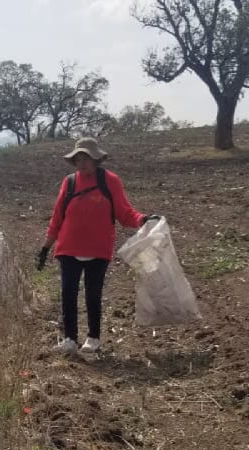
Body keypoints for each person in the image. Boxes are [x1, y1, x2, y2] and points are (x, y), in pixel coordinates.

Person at [37, 138, 160, 355]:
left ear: (96, 159)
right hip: (69, 247)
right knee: (68, 293)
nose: (81, 163)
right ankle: (70, 340)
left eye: (86, 158)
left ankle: (93, 338)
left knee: (93, 293)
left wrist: (143, 219)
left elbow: (124, 212)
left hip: (98, 248)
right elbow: (57, 216)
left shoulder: (109, 181)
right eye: (78, 158)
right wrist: (46, 247)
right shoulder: (69, 182)